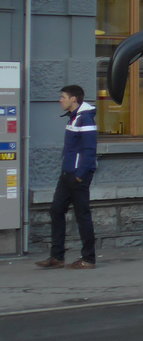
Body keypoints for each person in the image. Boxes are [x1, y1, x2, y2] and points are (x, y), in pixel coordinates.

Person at [36, 85, 98, 269]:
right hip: (67, 173)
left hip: (77, 175)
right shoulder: (74, 117)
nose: (60, 100)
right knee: (56, 210)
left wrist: (80, 175)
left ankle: (88, 259)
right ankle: (57, 257)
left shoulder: (85, 118)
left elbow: (89, 150)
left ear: (74, 99)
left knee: (82, 216)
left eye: (63, 97)